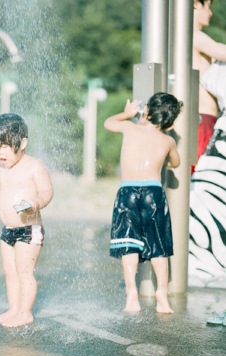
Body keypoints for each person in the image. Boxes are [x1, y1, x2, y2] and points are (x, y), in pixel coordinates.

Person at [104, 92, 183, 314]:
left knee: (128, 245)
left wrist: (127, 114)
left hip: (128, 192)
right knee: (158, 248)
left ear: (146, 111)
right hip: (154, 193)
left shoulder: (129, 128)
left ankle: (131, 295)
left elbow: (108, 123)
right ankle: (162, 296)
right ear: (169, 123)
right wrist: (165, 155)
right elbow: (176, 162)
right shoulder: (167, 140)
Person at [0, 113, 53, 327]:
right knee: (10, 273)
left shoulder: (34, 167)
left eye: (6, 146)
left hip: (29, 229)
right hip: (8, 229)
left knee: (24, 272)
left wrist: (35, 204)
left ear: (23, 143)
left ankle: (25, 312)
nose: (0, 153)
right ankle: (14, 308)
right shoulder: (0, 169)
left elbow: (47, 192)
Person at [193, 0, 226, 169]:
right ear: (195, 4)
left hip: (204, 119)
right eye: (208, 6)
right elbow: (223, 52)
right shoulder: (194, 35)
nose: (211, 13)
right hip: (203, 119)